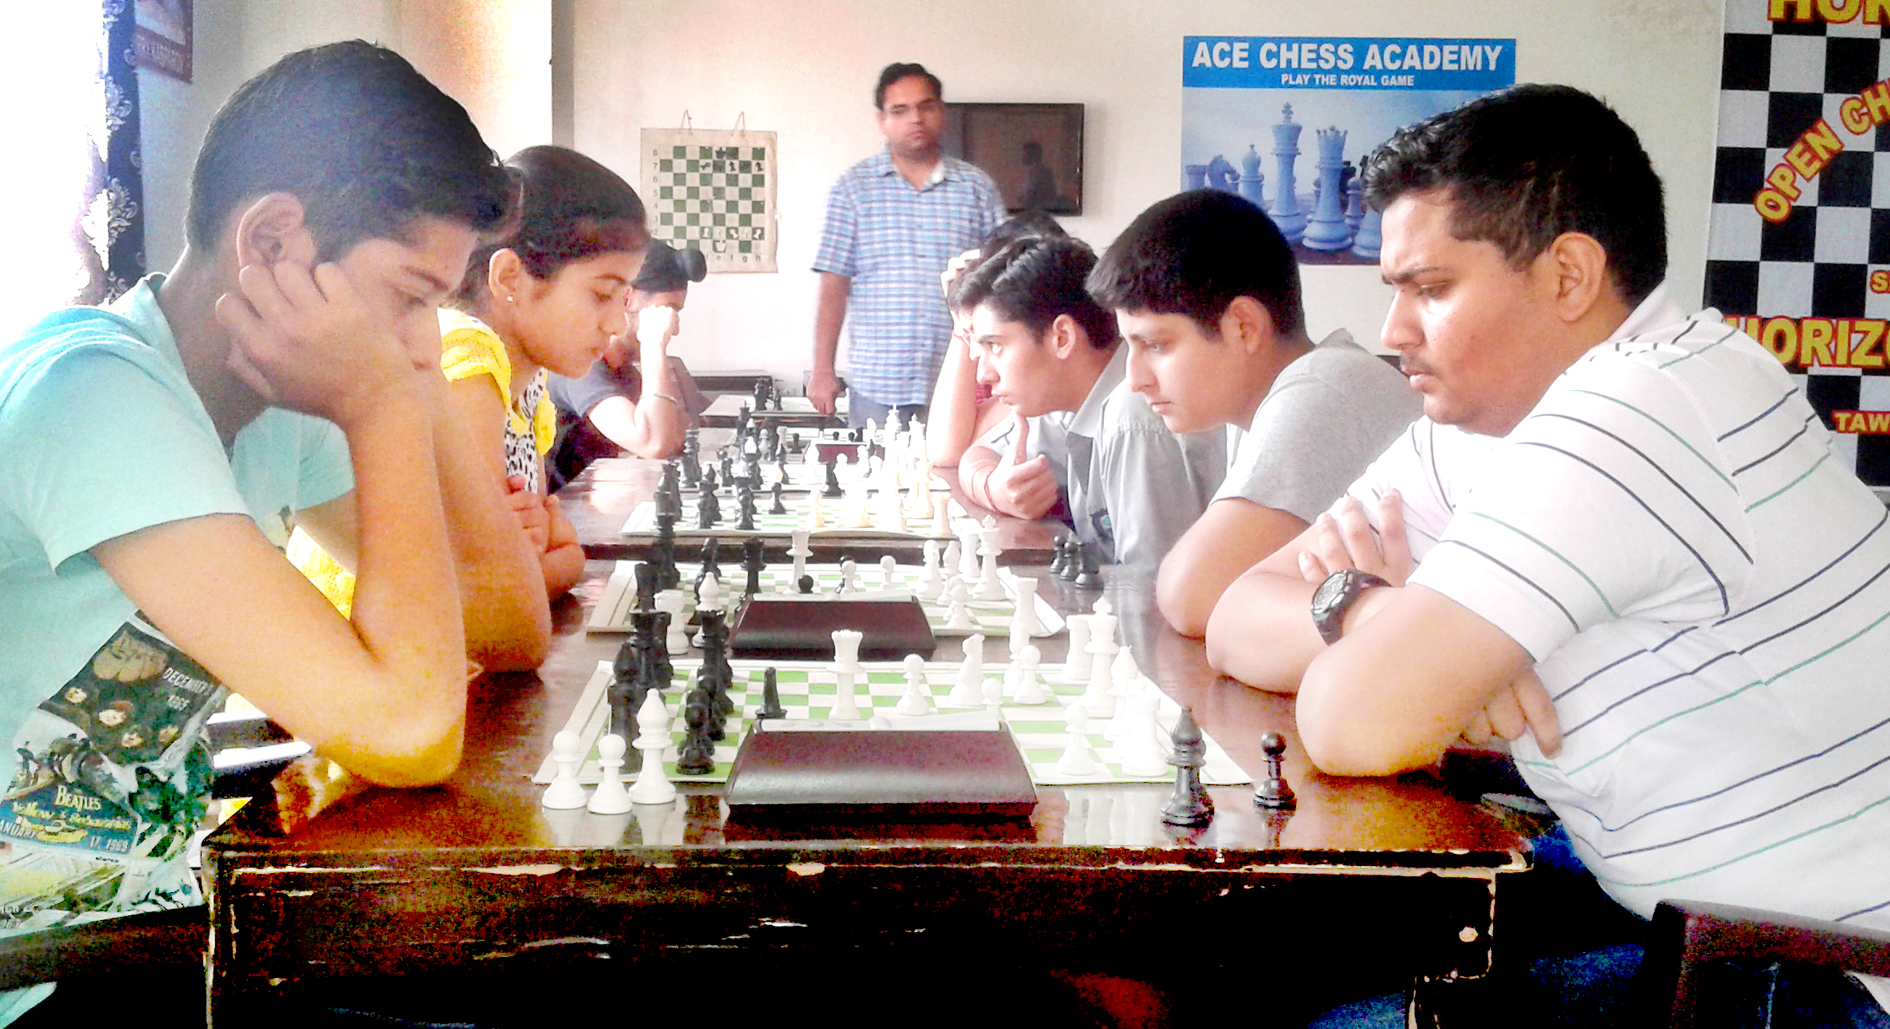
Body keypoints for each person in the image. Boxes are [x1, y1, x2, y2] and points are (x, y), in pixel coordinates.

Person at [1205, 84, 1890, 1025]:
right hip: (1660, 898)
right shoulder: (1485, 425)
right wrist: (1368, 610)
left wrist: (1399, 659)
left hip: (1819, 968)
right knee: (1265, 959)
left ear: (1568, 276)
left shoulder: (1643, 406)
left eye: (1431, 289)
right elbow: (1235, 612)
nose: (1394, 332)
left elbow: (1352, 719)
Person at [0, 41, 514, 1025]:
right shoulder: (94, 394)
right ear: (272, 240)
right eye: (412, 296)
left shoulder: (271, 416)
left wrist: (386, 407)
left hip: (160, 929)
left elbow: (498, 624)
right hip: (45, 976)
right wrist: (388, 413)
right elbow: (411, 730)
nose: (421, 346)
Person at [291, 144, 645, 608]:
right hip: (363, 641)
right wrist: (565, 559)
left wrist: (546, 553)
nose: (617, 324)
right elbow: (499, 597)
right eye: (602, 294)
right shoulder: (466, 356)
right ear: (510, 279)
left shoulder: (528, 383)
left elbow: (530, 555)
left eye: (623, 300)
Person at [1086, 190, 1420, 637]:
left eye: (1156, 345)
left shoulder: (1323, 387)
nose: (1135, 378)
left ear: (1244, 326)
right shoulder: (1260, 407)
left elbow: (1191, 595)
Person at [953, 236, 1225, 570]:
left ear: (1062, 337)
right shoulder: (1067, 404)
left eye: (995, 346)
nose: (983, 374)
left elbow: (1149, 595)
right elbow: (974, 456)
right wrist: (993, 488)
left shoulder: (1133, 414)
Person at [810, 61, 1005, 429]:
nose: (915, 118)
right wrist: (823, 369)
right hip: (877, 383)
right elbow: (833, 285)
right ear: (882, 120)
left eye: (925, 106)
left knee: (955, 483)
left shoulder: (977, 189)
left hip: (961, 375)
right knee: (876, 483)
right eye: (900, 110)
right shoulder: (853, 190)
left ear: (940, 112)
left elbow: (1003, 281)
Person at [546, 239, 709, 489]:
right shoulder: (578, 364)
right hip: (566, 518)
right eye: (667, 309)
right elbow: (654, 444)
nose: (672, 326)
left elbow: (677, 436)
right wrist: (654, 345)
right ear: (627, 298)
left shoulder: (624, 372)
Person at [926, 211, 1067, 470]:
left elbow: (946, 451)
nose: (983, 374)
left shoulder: (1040, 365)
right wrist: (963, 324)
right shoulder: (991, 353)